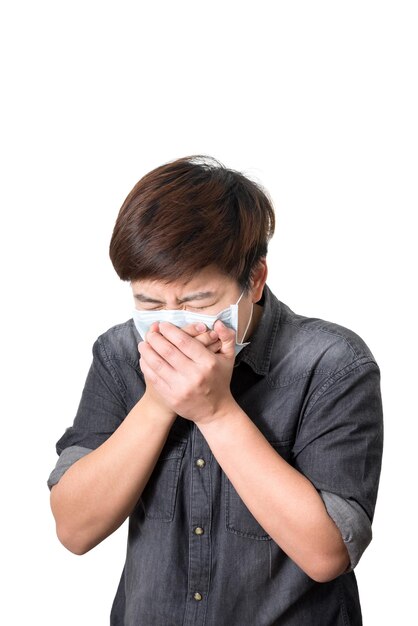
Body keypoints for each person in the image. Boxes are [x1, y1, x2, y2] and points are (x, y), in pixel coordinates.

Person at [48, 155, 383, 626]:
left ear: (256, 280)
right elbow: (74, 528)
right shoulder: (120, 351)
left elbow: (328, 553)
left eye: (196, 301)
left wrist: (217, 413)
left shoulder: (331, 362)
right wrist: (158, 401)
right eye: (149, 302)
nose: (170, 321)